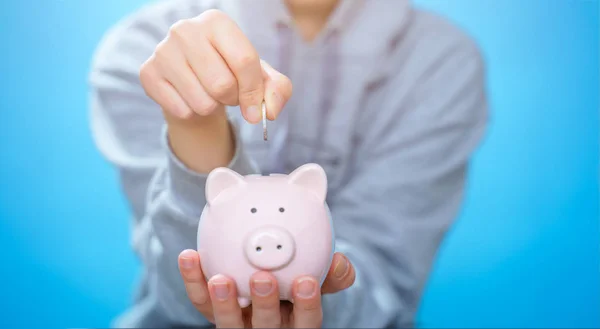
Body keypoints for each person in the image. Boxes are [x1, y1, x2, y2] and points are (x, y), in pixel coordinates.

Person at [89, 0, 488, 327]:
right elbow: (178, 290)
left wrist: (304, 302)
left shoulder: (441, 62)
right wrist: (195, 129)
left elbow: (381, 291)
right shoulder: (143, 51)